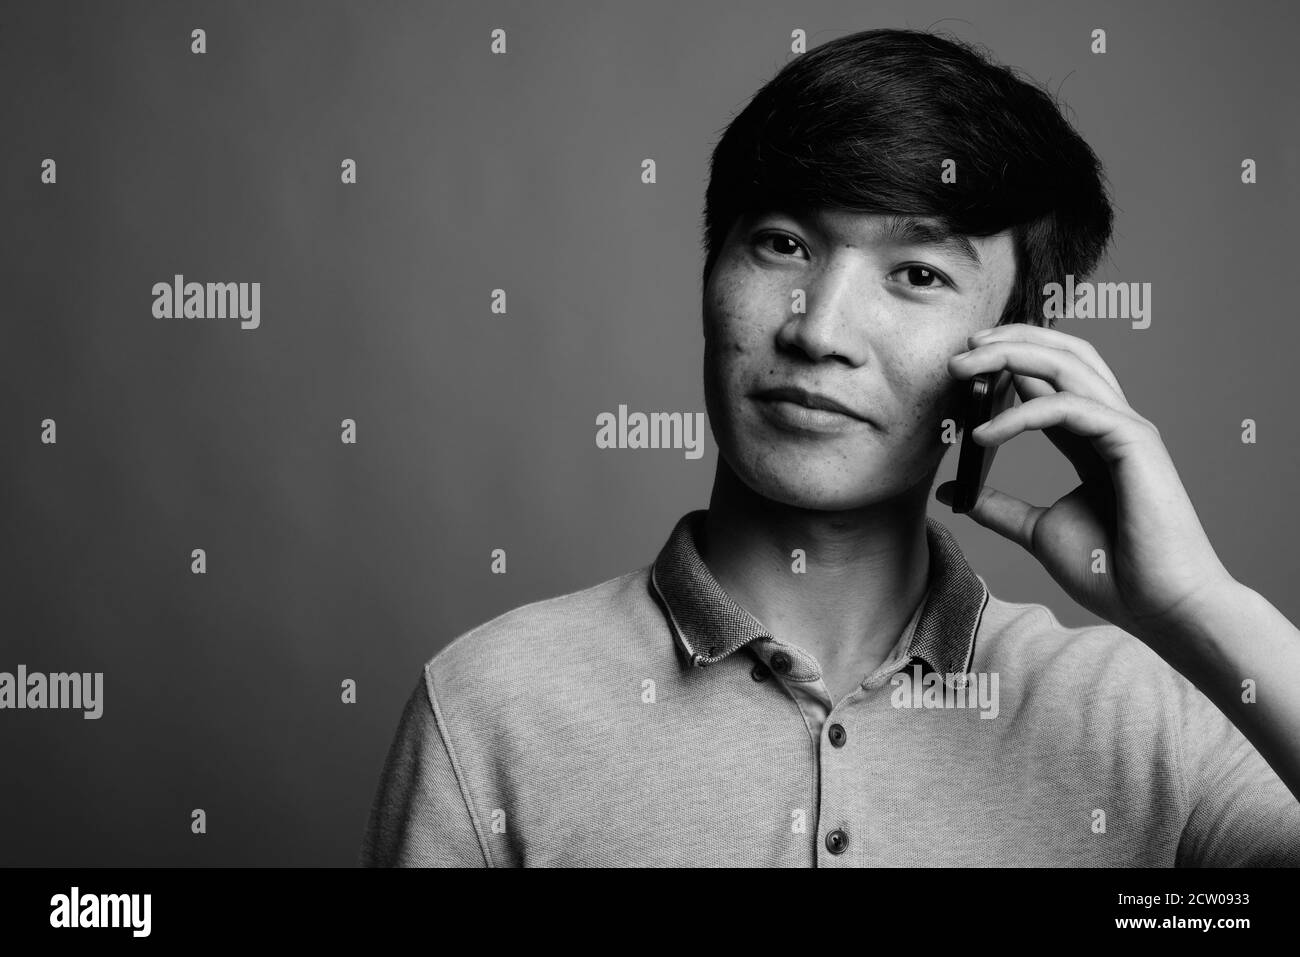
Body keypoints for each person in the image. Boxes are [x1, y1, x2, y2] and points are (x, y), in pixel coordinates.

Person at [360, 28, 1300, 867]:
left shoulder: (1145, 720)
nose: (820, 331)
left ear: (1014, 360)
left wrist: (1199, 606)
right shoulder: (493, 704)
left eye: (919, 273)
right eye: (782, 245)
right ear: (710, 274)